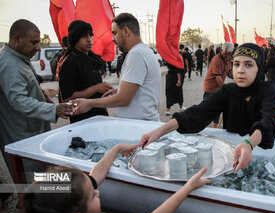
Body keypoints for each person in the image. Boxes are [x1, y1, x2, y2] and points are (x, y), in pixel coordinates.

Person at [140, 43, 275, 173]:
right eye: (236, 64)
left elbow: (269, 119)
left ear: (259, 68)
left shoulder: (267, 89)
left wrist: (249, 144)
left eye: (248, 65)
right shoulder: (227, 91)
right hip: (234, 154)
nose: (241, 70)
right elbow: (198, 112)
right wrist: (159, 131)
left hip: (259, 152)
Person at [23, 143, 210, 213]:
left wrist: (117, 149)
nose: (97, 192)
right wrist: (188, 187)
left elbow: (95, 175)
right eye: (93, 195)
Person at [0, 19, 73, 178]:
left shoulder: (19, 58)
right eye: (34, 43)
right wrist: (53, 109)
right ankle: (26, 202)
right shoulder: (9, 64)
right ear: (17, 39)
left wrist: (44, 97)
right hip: (22, 134)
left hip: (32, 129)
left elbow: (28, 86)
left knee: (42, 175)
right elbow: (19, 100)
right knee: (31, 178)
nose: (38, 48)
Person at [73, 13, 161, 121]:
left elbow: (123, 99)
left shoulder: (137, 54)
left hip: (138, 128)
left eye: (115, 33)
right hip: (139, 126)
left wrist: (89, 103)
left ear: (126, 31)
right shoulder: (141, 51)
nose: (113, 38)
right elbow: (139, 90)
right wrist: (119, 90)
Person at [58, 20, 112, 124]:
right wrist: (95, 88)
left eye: (90, 36)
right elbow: (66, 99)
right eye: (84, 36)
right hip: (83, 120)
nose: (89, 40)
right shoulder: (69, 62)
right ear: (75, 38)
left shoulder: (90, 58)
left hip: (99, 116)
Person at [202, 42, 234, 128]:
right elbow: (218, 79)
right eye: (226, 54)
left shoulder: (229, 59)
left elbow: (229, 73)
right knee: (207, 112)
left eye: (229, 54)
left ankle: (214, 129)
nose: (228, 56)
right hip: (210, 89)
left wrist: (237, 78)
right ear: (221, 50)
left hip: (218, 89)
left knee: (217, 113)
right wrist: (226, 89)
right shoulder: (216, 60)